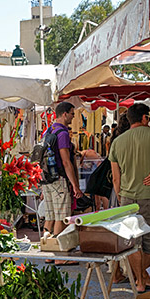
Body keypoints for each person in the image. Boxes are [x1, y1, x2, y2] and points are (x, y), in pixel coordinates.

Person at [109, 103, 150, 293]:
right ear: (145, 118)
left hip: (127, 198)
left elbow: (115, 177)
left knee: (132, 241)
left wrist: (121, 197)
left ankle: (138, 279)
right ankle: (143, 276)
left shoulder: (117, 142)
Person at [41, 102, 90, 243]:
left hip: (47, 179)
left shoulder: (48, 130)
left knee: (49, 217)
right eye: (72, 114)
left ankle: (47, 249)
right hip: (59, 180)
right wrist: (75, 185)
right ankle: (58, 255)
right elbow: (66, 162)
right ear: (64, 114)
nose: (73, 117)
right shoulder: (62, 134)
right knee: (61, 217)